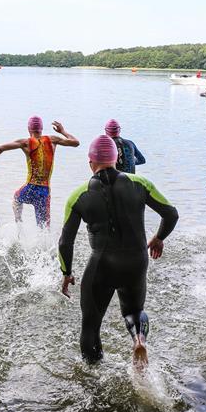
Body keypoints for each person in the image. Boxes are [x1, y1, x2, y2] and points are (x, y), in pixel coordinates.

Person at [58, 136, 178, 367]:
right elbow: (171, 214)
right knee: (134, 311)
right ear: (116, 159)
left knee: (90, 326)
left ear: (90, 162)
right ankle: (138, 338)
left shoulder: (78, 195)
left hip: (101, 265)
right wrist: (159, 238)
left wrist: (67, 272)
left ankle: (93, 377)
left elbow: (65, 242)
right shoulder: (140, 183)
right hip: (136, 261)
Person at [0, 116, 79, 228]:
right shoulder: (53, 140)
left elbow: (0, 148)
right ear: (41, 128)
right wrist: (62, 131)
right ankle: (43, 238)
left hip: (30, 188)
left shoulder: (25, 143)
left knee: (16, 199)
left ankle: (19, 225)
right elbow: (76, 143)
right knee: (44, 228)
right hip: (44, 192)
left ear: (29, 129)